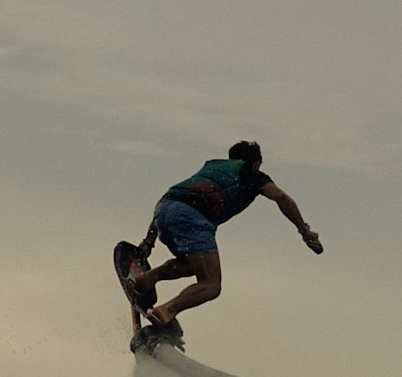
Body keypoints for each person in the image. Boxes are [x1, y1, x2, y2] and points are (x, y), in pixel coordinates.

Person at [122, 140, 321, 345]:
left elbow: (177, 196)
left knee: (192, 264)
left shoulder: (213, 167)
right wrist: (304, 231)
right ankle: (165, 311)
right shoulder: (250, 173)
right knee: (211, 285)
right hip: (193, 217)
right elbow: (280, 196)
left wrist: (148, 242)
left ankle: (147, 278)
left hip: (163, 209)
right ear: (257, 163)